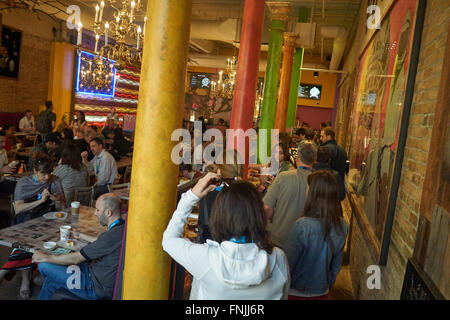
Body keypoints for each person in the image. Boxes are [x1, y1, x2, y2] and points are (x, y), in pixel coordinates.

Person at [162, 172, 290, 299]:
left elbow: (168, 240)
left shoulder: (205, 258)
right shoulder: (278, 257)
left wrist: (191, 196)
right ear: (258, 214)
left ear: (218, 216)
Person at [32, 193, 125, 300]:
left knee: (44, 265)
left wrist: (46, 257)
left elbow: (76, 258)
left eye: (98, 210)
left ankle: (46, 275)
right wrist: (79, 235)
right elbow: (101, 241)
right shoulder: (121, 227)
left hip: (93, 286)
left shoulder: (111, 236)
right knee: (51, 281)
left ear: (108, 213)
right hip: (93, 271)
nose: (95, 213)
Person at [0, 152, 65, 299]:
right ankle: (24, 280)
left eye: (49, 173)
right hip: (24, 221)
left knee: (28, 244)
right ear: (35, 171)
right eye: (43, 173)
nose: (47, 177)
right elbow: (18, 209)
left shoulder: (54, 180)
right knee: (27, 243)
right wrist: (40, 201)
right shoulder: (24, 183)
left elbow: (61, 209)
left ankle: (7, 270)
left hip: (47, 221)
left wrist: (58, 199)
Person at [284, 170, 348, 300]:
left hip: (295, 291)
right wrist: (327, 283)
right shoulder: (342, 226)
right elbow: (336, 263)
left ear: (314, 193)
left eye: (308, 188)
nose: (306, 191)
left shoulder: (302, 226)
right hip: (322, 291)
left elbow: (287, 264)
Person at [263, 140, 317, 248]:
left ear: (297, 158)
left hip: (279, 238)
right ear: (315, 160)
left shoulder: (283, 176)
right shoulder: (318, 181)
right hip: (305, 242)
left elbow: (267, 208)